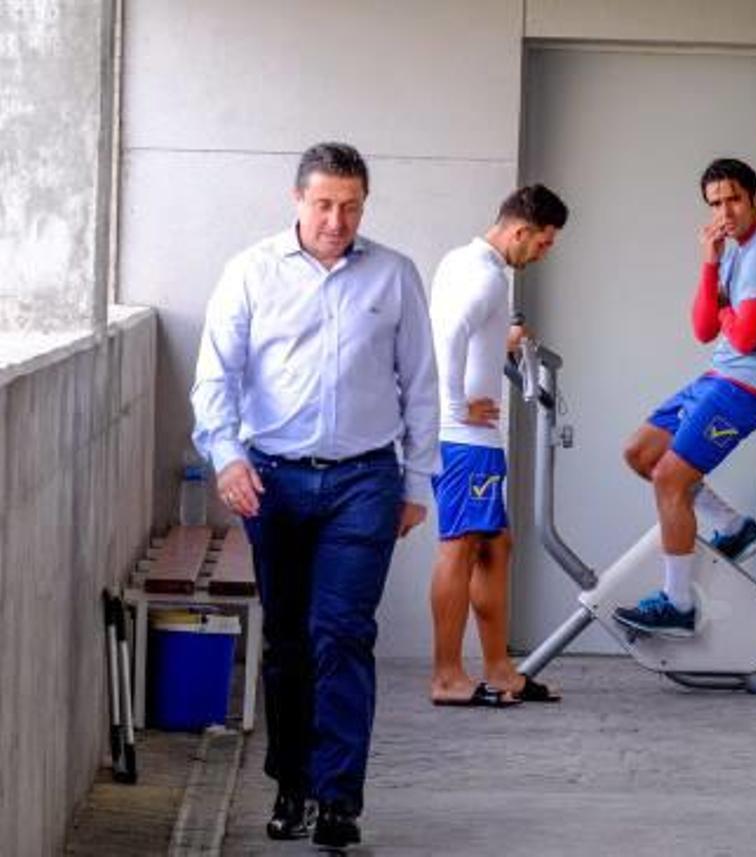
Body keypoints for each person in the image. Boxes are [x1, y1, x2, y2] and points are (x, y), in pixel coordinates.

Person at [190, 142, 439, 848]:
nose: (338, 219)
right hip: (274, 478)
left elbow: (421, 383)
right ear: (297, 200)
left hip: (365, 479)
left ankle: (337, 799)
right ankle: (291, 784)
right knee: (291, 639)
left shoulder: (393, 275)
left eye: (351, 205)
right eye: (325, 204)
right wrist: (227, 455)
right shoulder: (250, 272)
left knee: (344, 633)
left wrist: (417, 480)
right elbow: (216, 377)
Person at [613, 158, 756, 637]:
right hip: (722, 374)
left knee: (669, 480)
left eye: (734, 200)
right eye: (716, 203)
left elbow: (744, 339)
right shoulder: (732, 249)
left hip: (752, 385)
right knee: (640, 453)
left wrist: (727, 314)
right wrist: (709, 260)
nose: (726, 212)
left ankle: (678, 604)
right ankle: (732, 526)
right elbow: (706, 328)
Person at [427, 184, 569, 707]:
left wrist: (500, 344)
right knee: (461, 547)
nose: (543, 253)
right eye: (544, 243)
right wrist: (455, 405)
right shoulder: (487, 277)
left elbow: (464, 332)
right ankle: (446, 676)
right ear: (521, 231)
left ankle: (499, 669)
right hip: (465, 438)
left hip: (470, 439)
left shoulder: (461, 261)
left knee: (494, 546)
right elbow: (445, 337)